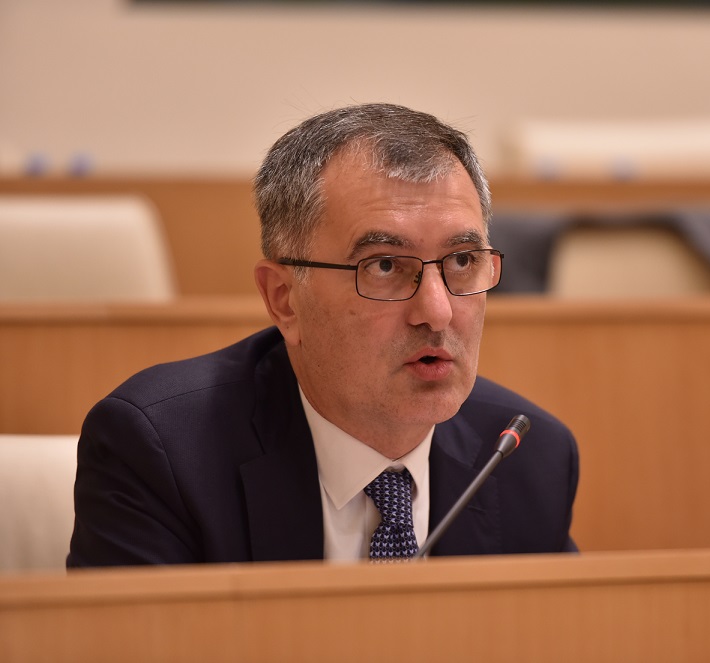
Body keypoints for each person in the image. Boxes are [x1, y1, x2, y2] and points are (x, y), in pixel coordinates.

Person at [67, 103, 579, 566]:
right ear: (284, 299)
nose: (437, 312)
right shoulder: (161, 453)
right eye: (384, 266)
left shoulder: (528, 459)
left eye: (463, 261)